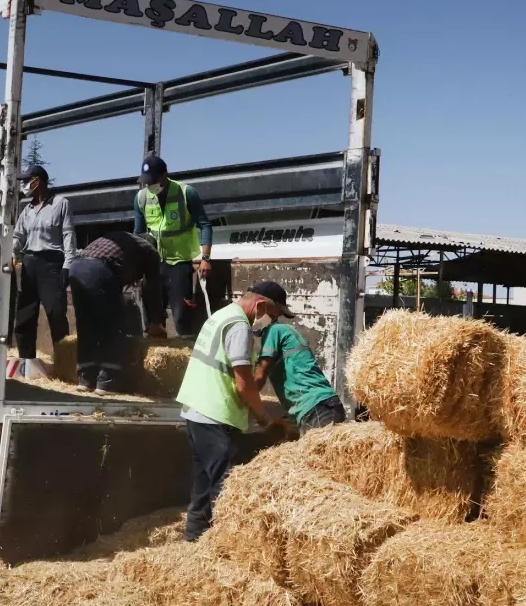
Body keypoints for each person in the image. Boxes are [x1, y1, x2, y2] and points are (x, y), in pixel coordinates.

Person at [175, 282, 291, 541]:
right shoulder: (239, 327)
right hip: (216, 414)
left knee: (203, 483)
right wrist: (263, 417)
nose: (271, 321)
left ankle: (194, 540)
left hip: (196, 410)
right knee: (225, 486)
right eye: (273, 314)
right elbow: (243, 383)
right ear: (260, 305)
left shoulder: (220, 315)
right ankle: (228, 543)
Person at [68, 230, 166, 394]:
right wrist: (156, 322)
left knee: (87, 325)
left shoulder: (122, 240)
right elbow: (152, 289)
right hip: (100, 270)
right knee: (114, 327)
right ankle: (108, 381)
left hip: (76, 268)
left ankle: (86, 378)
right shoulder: (150, 251)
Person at [251, 281, 347, 435]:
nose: (278, 315)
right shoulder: (285, 330)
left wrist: (244, 401)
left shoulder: (274, 330)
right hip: (324, 406)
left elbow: (260, 375)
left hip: (316, 408)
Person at [132, 155, 213, 337]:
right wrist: (136, 267)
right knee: (153, 321)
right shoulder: (141, 198)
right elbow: (138, 234)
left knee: (181, 318)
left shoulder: (186, 193)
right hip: (152, 265)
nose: (149, 185)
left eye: (152, 181)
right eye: (146, 182)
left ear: (164, 176)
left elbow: (205, 225)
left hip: (179, 263)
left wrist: (205, 259)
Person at [12, 164, 75, 375]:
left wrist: (68, 265)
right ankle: (26, 365)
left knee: (56, 314)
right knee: (24, 317)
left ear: (37, 180)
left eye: (27, 180)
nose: (24, 185)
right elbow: (19, 237)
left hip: (52, 264)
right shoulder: (27, 210)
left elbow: (68, 236)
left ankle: (64, 366)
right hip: (30, 264)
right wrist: (10, 253)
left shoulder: (60, 204)